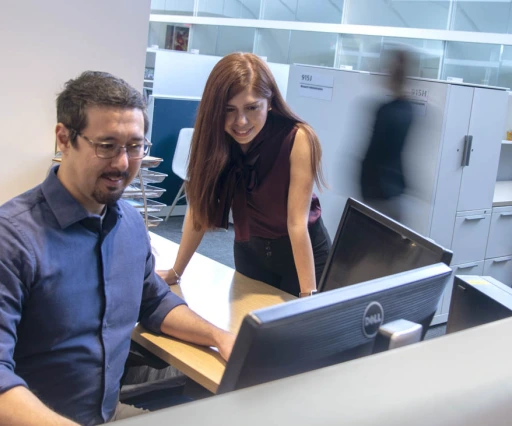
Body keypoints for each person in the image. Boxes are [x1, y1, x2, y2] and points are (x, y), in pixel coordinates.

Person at [0, 71, 235, 426]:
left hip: (107, 415)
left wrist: (219, 336)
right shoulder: (14, 238)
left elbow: (153, 301)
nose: (123, 164)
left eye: (135, 146)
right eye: (106, 146)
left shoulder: (127, 223)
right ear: (64, 139)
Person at [158, 53, 331, 298]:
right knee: (247, 328)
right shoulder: (214, 139)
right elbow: (198, 209)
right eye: (229, 110)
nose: (240, 121)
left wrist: (308, 296)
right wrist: (176, 272)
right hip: (250, 251)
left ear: (269, 102)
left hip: (304, 253)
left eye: (252, 108)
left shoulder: (298, 138)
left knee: (302, 331)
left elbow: (296, 224)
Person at [360, 49, 414, 222]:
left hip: (377, 194)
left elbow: (373, 153)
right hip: (396, 191)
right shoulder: (409, 109)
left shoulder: (386, 111)